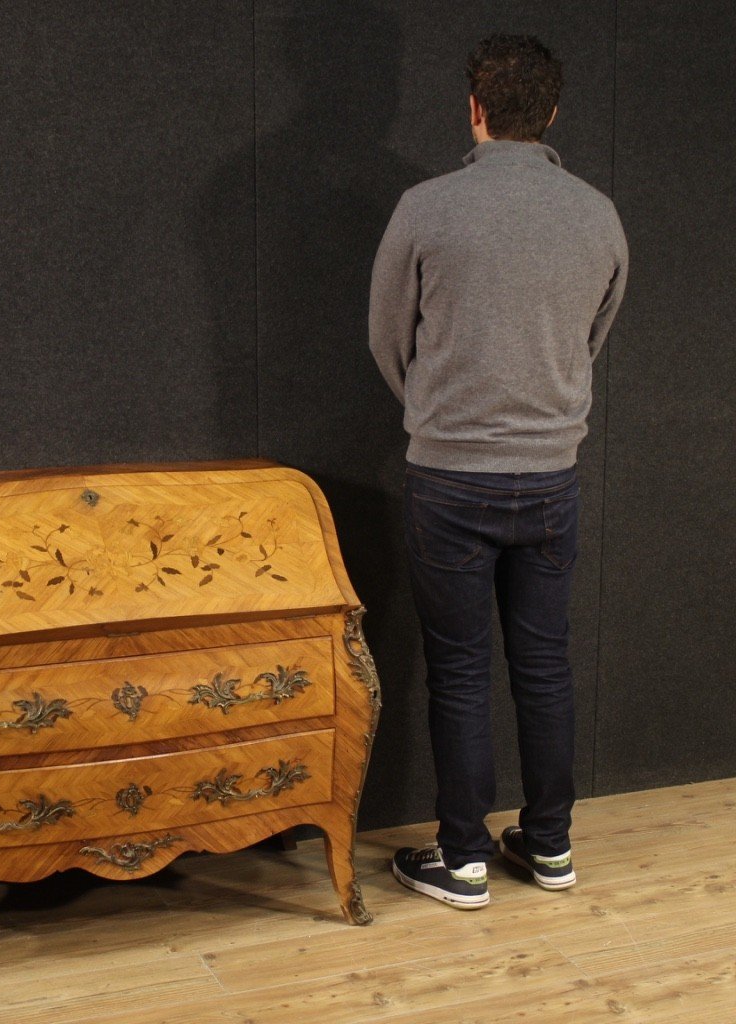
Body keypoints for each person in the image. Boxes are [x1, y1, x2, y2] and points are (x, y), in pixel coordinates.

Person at [368, 34, 628, 909]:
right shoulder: (598, 214)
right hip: (552, 475)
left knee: (460, 669)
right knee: (545, 666)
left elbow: (386, 337)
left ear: (474, 110)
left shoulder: (425, 208)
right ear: (551, 113)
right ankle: (550, 847)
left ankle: (464, 857)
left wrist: (438, 411)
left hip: (449, 477)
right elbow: (593, 337)